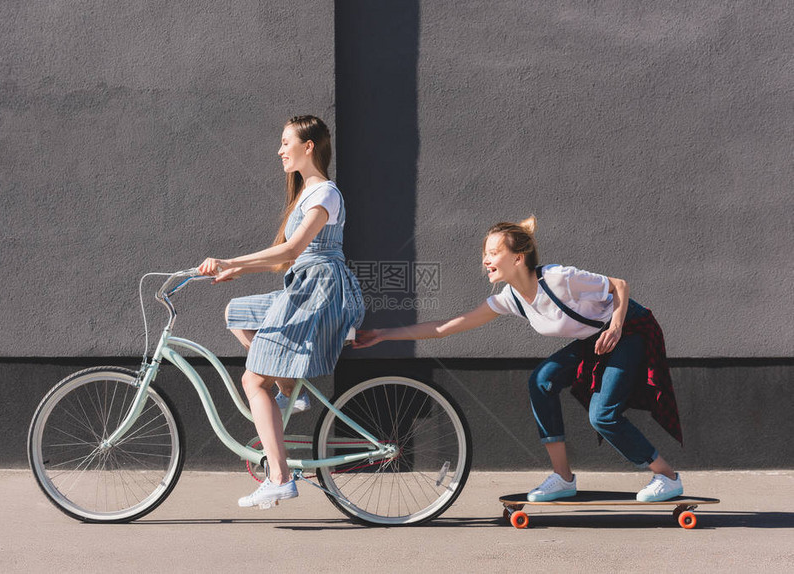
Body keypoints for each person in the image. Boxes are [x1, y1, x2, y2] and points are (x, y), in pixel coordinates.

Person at [354, 216, 684, 502]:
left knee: (603, 416)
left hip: (629, 332)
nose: (486, 260)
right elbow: (445, 328)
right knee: (541, 381)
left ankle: (667, 477)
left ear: (518, 258)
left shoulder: (558, 279)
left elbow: (620, 286)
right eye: (485, 253)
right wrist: (383, 334)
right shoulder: (511, 298)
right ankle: (563, 478)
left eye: (494, 253)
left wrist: (615, 324)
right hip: (592, 341)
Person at [198, 115, 365, 507]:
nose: (279, 150)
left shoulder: (325, 192)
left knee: (254, 383)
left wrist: (227, 260)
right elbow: (284, 261)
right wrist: (235, 270)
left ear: (309, 147)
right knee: (234, 312)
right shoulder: (306, 195)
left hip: (319, 292)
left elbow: (291, 252)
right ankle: (290, 389)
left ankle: (279, 477)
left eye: (285, 141)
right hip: (304, 286)